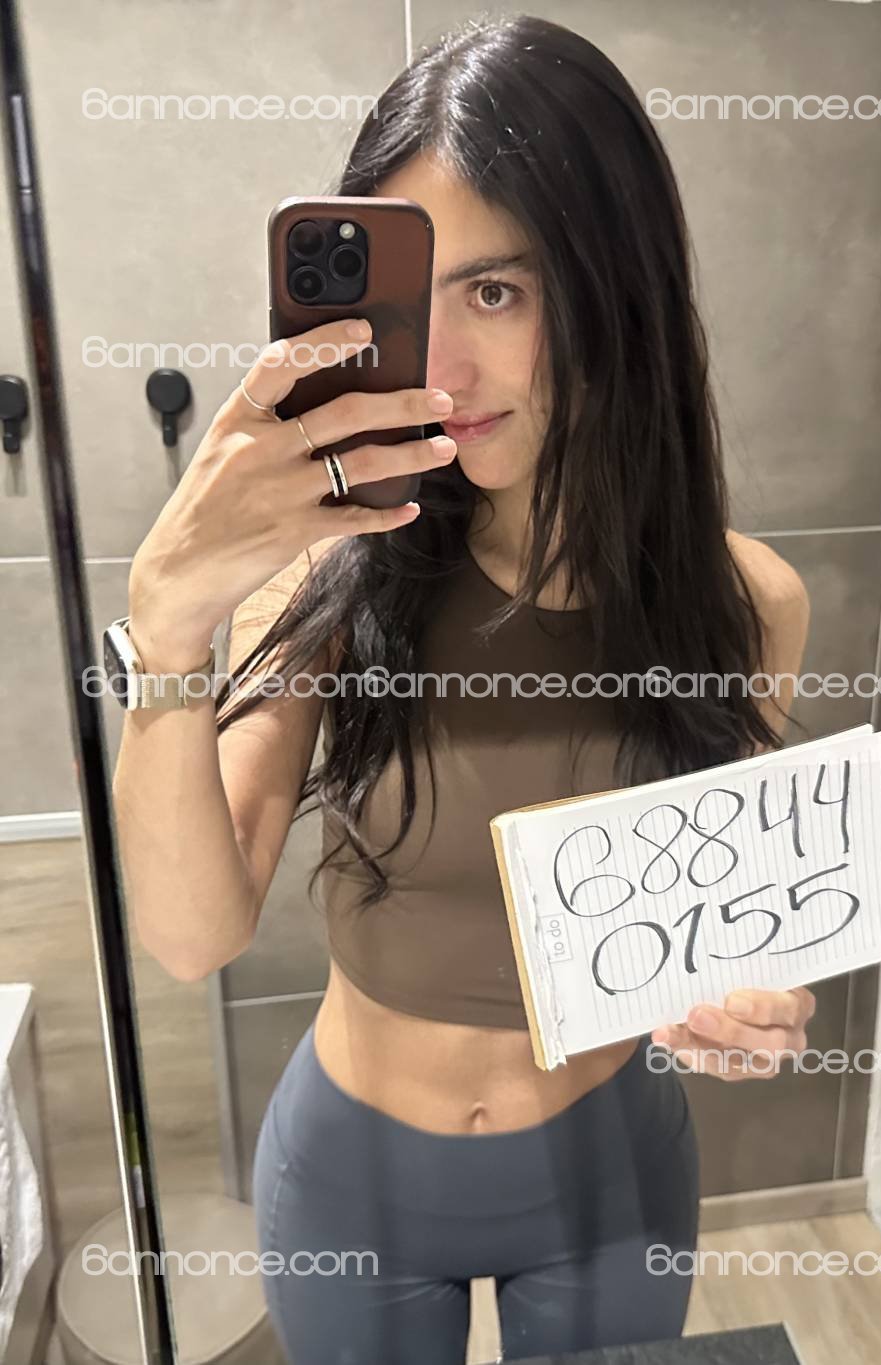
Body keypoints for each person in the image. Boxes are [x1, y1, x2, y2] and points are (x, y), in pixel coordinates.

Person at [112, 14, 815, 1365]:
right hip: (355, 1187)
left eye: (496, 293)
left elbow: (716, 932)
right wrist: (168, 625)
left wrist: (750, 997)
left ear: (613, 292)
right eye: (409, 301)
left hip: (615, 1180)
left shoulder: (747, 606)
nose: (439, 369)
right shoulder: (321, 582)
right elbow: (193, 936)